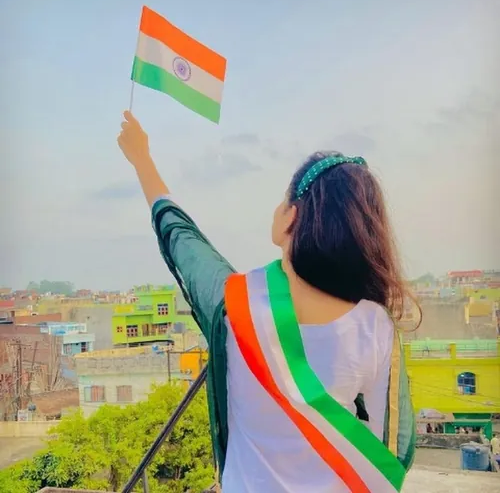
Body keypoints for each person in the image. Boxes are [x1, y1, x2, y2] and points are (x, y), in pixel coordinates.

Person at [117, 111, 419, 493]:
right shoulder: (375, 326)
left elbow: (182, 241)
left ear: (290, 217)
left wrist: (142, 160)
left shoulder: (235, 305)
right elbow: (392, 452)